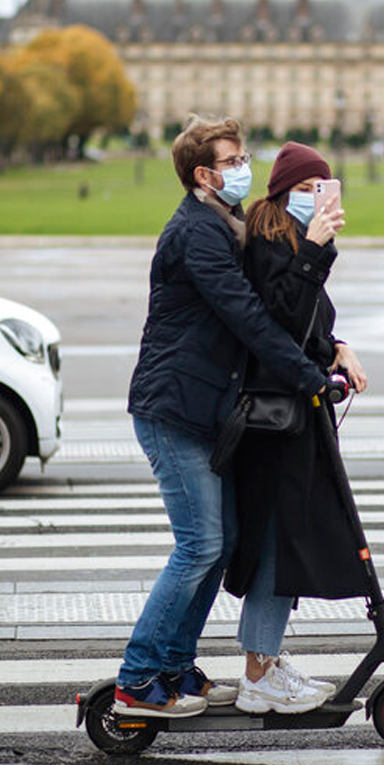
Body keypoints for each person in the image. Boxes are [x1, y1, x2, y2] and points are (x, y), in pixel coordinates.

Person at [117, 117, 331, 719]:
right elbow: (248, 317)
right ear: (204, 174)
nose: (246, 168)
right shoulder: (198, 234)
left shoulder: (222, 222)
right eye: (234, 159)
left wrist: (331, 348)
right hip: (174, 409)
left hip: (201, 409)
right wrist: (306, 374)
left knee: (223, 540)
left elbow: (271, 307)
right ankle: (138, 677)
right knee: (200, 545)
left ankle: (176, 666)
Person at [226, 141, 370, 714]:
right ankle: (258, 673)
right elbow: (279, 317)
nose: (319, 198)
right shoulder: (268, 242)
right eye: (310, 189)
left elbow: (308, 323)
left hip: (296, 413)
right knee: (276, 540)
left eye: (325, 188)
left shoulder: (290, 239)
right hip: (274, 420)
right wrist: (315, 250)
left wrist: (338, 348)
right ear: (286, 192)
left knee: (287, 538)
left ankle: (265, 659)